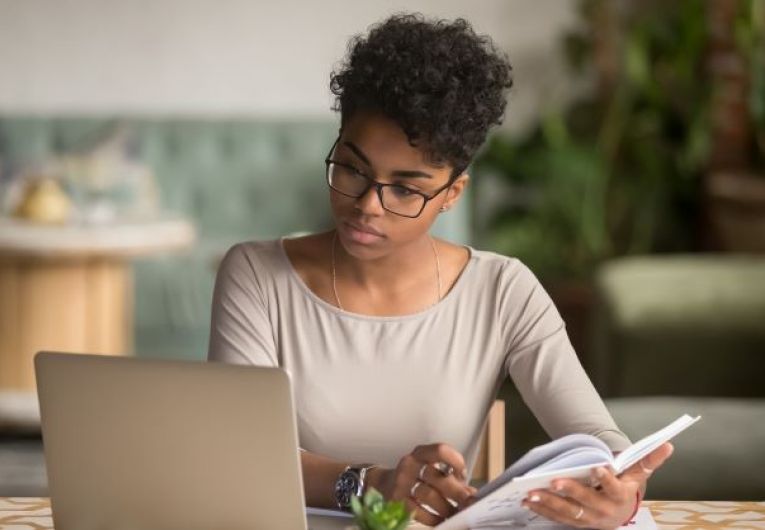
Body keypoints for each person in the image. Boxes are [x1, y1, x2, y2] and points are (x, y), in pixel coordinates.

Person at [208, 13, 673, 529]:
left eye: (405, 188)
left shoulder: (503, 290)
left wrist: (621, 488)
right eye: (352, 168)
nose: (368, 205)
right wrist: (369, 485)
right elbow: (238, 454)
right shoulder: (255, 275)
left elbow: (595, 435)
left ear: (452, 193)